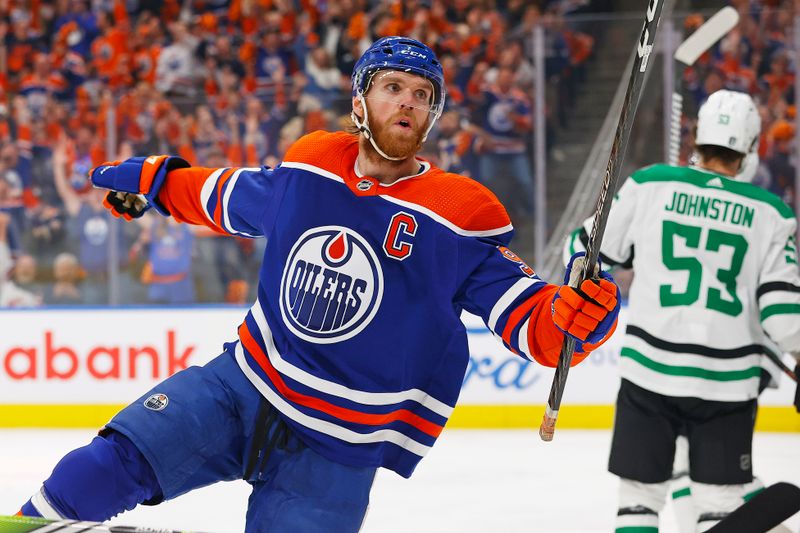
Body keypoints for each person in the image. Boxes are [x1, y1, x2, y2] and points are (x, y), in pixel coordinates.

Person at [17, 37, 621, 532]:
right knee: (100, 468)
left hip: (338, 446)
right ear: (360, 101)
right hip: (243, 385)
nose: (407, 104)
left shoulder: (457, 212)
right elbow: (229, 195)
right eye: (392, 88)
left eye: (421, 95)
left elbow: (534, 322)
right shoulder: (312, 162)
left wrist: (576, 317)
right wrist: (158, 182)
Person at [564, 89, 800, 531]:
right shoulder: (772, 213)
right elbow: (784, 316)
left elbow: (581, 252)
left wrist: (583, 280)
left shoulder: (651, 184)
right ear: (751, 147)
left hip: (649, 372)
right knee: (721, 503)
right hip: (727, 385)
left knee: (638, 498)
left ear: (697, 137)